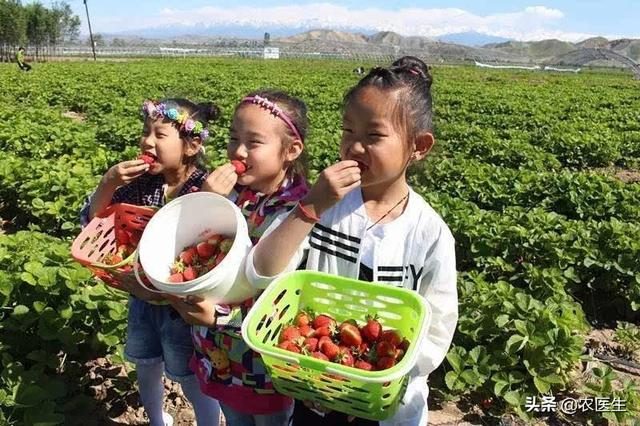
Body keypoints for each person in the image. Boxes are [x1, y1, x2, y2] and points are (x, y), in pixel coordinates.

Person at [246, 56, 458, 426]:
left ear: (419, 146)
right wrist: (310, 206)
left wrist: (378, 374)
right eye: (348, 132)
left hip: (389, 402)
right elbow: (262, 270)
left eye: (373, 136)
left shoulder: (429, 233)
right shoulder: (325, 206)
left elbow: (437, 328)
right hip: (314, 388)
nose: (355, 147)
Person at [168, 90, 310, 426]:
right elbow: (184, 246)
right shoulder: (229, 192)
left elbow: (274, 292)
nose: (239, 151)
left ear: (291, 150)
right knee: (234, 420)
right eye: (233, 138)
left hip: (264, 364)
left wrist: (218, 317)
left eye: (253, 142)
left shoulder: (295, 212)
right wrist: (204, 201)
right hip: (216, 355)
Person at [79, 98, 222, 426]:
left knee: (191, 375)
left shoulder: (205, 187)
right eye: (146, 133)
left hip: (184, 307)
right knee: (145, 363)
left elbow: (213, 245)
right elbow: (94, 220)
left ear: (191, 145)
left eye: (159, 135)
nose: (147, 141)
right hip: (140, 297)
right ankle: (157, 420)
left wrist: (211, 198)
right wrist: (109, 182)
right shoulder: (139, 185)